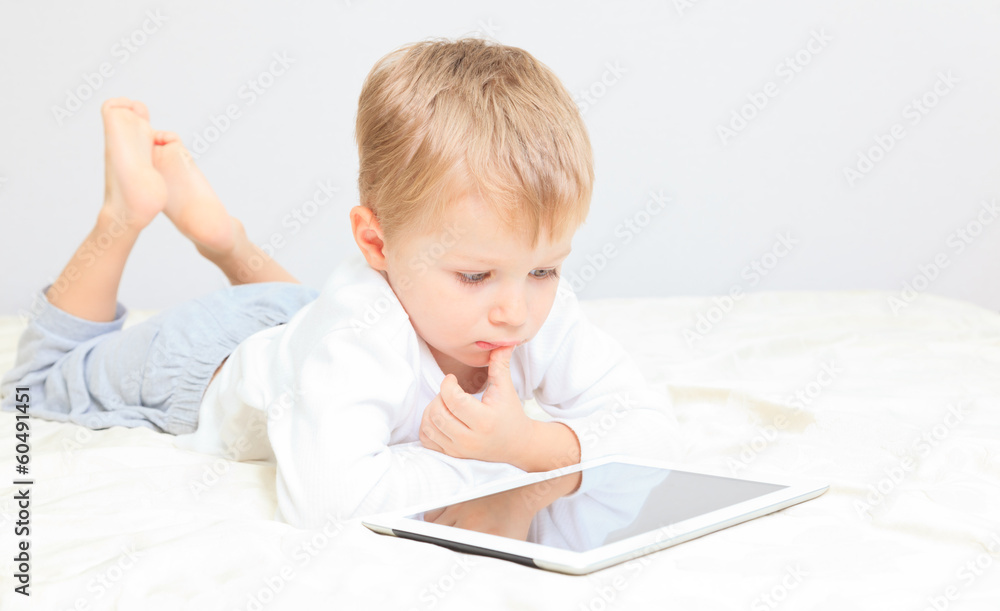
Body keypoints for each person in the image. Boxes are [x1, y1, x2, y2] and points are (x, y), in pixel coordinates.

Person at [0, 37, 679, 529]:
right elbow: (329, 499)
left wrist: (524, 445)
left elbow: (655, 428)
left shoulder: (527, 303)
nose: (516, 309)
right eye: (474, 274)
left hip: (302, 320)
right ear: (377, 244)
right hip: (208, 358)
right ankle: (128, 211)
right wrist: (508, 464)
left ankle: (222, 237)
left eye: (545, 268)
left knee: (317, 324)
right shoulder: (365, 334)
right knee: (33, 387)